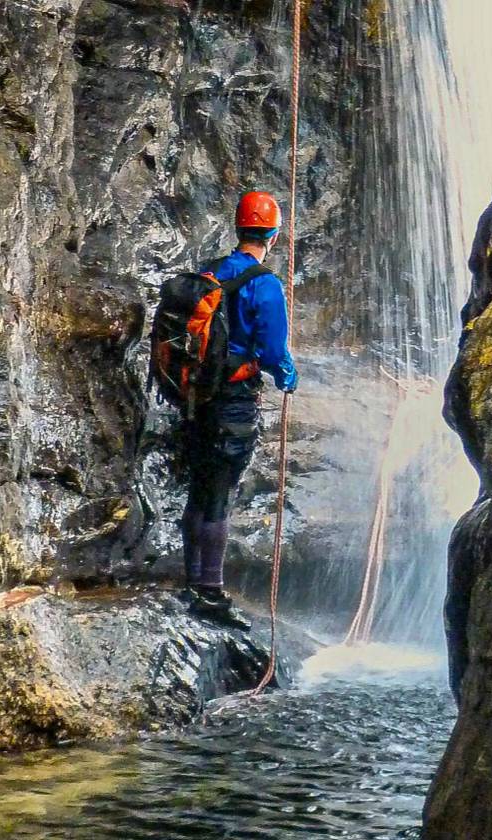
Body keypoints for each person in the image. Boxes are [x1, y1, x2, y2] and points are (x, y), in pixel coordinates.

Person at [179, 191, 299, 629]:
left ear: (238, 228)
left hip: (197, 397)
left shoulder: (212, 273)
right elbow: (271, 349)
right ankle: (208, 590)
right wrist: (286, 373)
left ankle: (192, 579)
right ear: (274, 233)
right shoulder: (264, 284)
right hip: (232, 400)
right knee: (220, 492)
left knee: (200, 483)